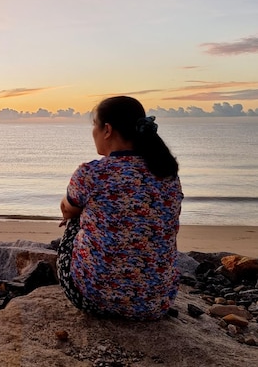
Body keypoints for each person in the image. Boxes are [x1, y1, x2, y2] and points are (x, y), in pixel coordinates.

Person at [57, 96, 183, 320]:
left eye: (94, 125)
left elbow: (67, 209)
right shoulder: (167, 172)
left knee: (76, 219)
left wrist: (74, 212)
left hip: (95, 300)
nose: (93, 132)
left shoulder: (91, 173)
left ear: (107, 129)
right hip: (156, 303)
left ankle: (100, 281)